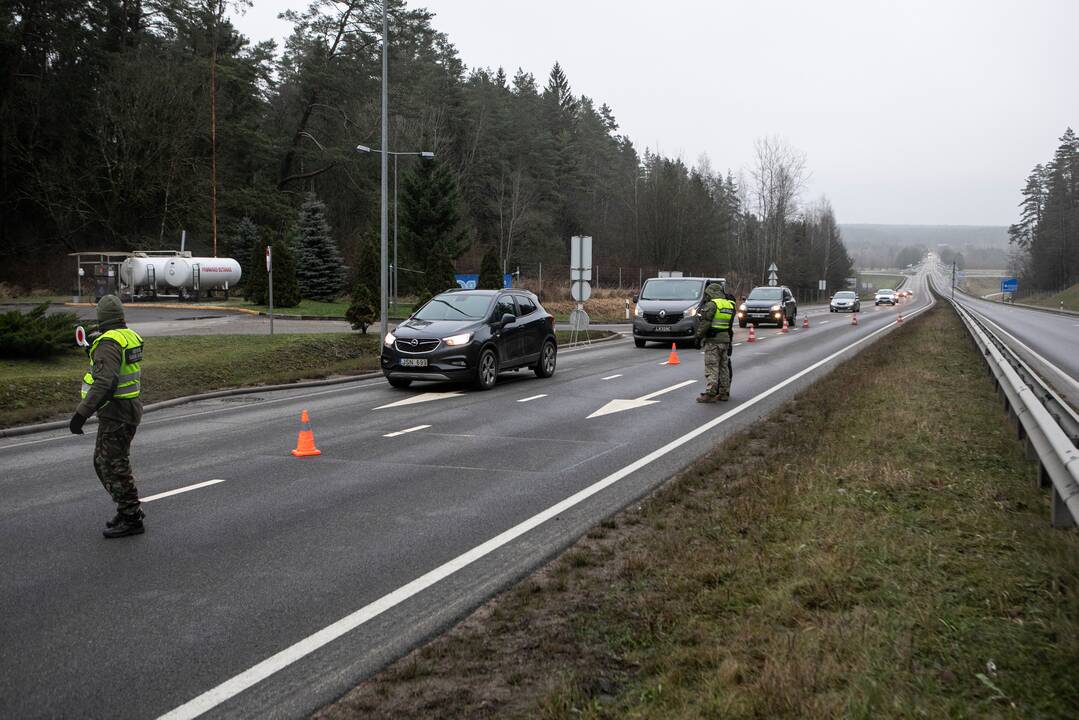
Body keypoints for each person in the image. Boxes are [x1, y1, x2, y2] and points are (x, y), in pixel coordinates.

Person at [69, 295, 146, 538]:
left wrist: (81, 414)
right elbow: (115, 367)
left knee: (113, 464)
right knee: (105, 462)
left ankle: (132, 516)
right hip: (128, 408)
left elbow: (105, 382)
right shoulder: (128, 336)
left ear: (102, 318)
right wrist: (96, 353)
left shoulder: (109, 343)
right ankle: (127, 510)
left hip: (117, 412)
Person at [695, 282, 736, 403]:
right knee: (724, 367)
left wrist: (698, 337)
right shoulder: (728, 305)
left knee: (712, 367)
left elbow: (705, 323)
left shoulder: (712, 305)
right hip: (725, 339)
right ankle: (724, 392)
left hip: (713, 341)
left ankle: (710, 393)